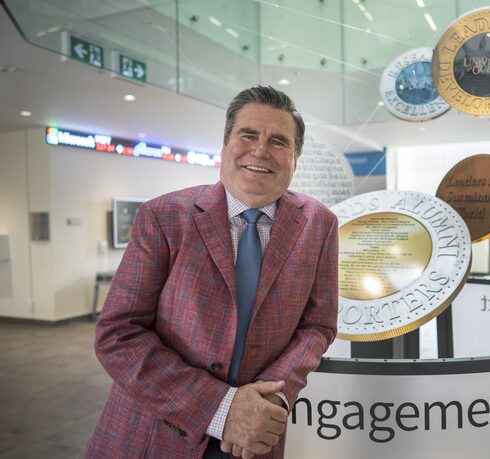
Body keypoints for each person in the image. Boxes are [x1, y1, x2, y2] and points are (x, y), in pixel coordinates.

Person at [85, 86, 339, 459]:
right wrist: (221, 409)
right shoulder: (164, 216)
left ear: (295, 158)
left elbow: (317, 326)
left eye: (278, 141)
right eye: (248, 135)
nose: (260, 150)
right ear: (225, 146)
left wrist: (273, 396)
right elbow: (118, 335)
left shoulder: (320, 224)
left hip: (254, 437)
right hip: (157, 432)